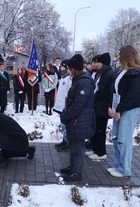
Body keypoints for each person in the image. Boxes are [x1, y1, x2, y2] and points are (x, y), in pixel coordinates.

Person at [107, 45, 140, 177]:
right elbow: (115, 90)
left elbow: (133, 95)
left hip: (128, 110)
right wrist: (111, 106)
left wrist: (119, 109)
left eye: (120, 54)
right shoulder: (123, 71)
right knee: (116, 138)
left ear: (126, 56)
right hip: (119, 108)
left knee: (124, 140)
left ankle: (124, 169)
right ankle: (117, 165)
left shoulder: (137, 73)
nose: (118, 57)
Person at [59, 54, 95, 182]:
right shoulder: (78, 80)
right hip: (75, 120)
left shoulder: (84, 82)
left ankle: (77, 173)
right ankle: (72, 167)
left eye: (68, 68)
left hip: (80, 121)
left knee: (78, 148)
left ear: (74, 69)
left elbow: (78, 105)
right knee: (73, 146)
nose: (67, 70)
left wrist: (65, 115)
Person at [87, 52, 115, 160]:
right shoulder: (100, 72)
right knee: (96, 129)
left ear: (103, 63)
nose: (95, 64)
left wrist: (90, 99)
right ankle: (95, 150)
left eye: (98, 62)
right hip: (97, 105)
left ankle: (101, 152)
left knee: (100, 130)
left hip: (102, 107)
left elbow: (101, 91)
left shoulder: (108, 74)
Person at [53, 59, 72, 151]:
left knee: (66, 125)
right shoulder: (63, 77)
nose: (61, 68)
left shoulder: (69, 79)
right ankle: (64, 140)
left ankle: (67, 142)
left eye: (63, 67)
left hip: (65, 106)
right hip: (60, 106)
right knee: (63, 125)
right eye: (61, 66)